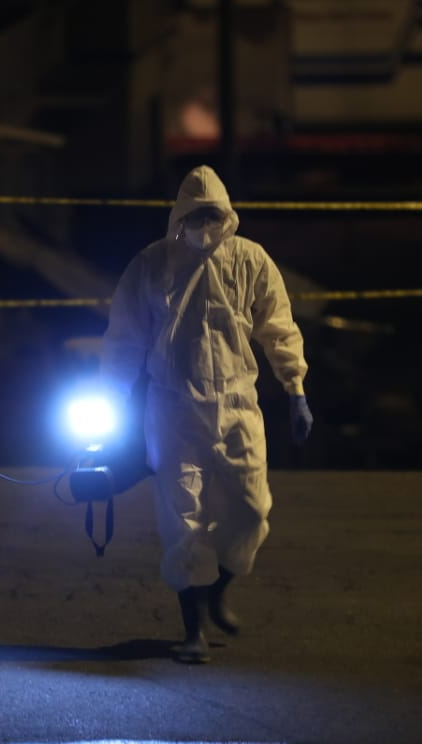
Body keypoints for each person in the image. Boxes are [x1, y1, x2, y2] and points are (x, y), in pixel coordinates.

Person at [101, 165, 313, 664]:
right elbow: (124, 339)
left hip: (239, 406)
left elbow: (278, 328)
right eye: (196, 214)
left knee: (252, 509)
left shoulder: (250, 261)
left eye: (212, 213)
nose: (204, 222)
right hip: (173, 409)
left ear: (227, 214)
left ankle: (217, 591)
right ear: (180, 215)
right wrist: (110, 402)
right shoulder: (153, 266)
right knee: (184, 518)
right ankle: (192, 626)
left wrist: (296, 388)